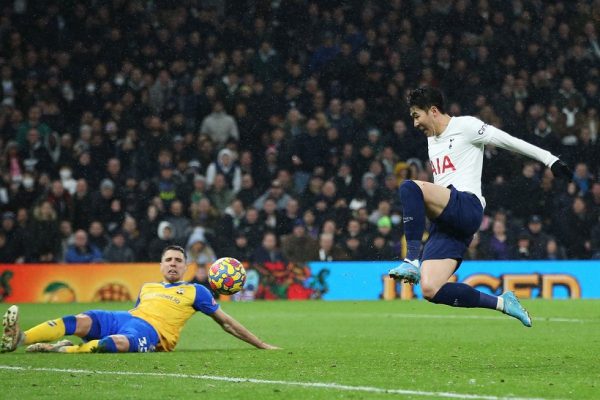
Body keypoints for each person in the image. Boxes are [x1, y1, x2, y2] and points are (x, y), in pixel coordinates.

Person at [388, 87, 573, 327]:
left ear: (433, 111)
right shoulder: (432, 140)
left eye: (416, 115)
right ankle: (503, 303)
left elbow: (509, 141)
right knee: (430, 289)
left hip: (467, 206)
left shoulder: (466, 126)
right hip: (447, 222)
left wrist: (550, 159)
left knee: (409, 187)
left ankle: (411, 259)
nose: (414, 123)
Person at [1, 245, 278, 353]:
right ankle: (19, 338)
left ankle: (61, 350)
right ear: (161, 265)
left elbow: (226, 323)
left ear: (186, 267)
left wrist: (261, 344)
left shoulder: (197, 291)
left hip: (152, 332)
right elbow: (136, 312)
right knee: (80, 319)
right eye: (168, 260)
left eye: (178, 261)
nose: (173, 264)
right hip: (127, 318)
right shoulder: (147, 287)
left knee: (115, 344)